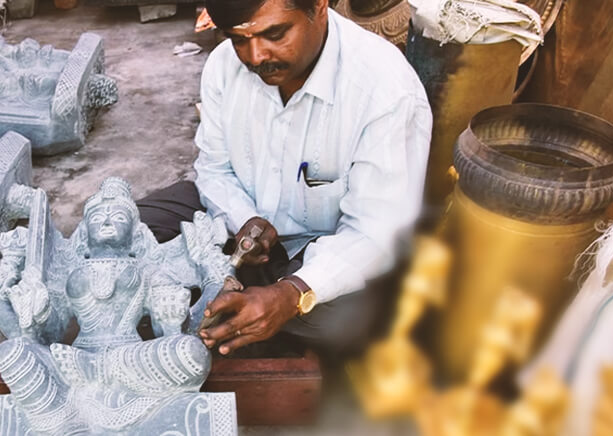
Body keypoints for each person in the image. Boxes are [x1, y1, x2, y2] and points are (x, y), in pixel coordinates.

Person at [138, 0, 432, 358]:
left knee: (359, 313)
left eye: (275, 33)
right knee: (129, 228)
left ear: (319, 5)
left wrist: (293, 293)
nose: (256, 56)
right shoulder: (223, 65)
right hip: (242, 233)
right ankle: (238, 304)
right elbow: (214, 169)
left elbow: (377, 231)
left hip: (324, 246)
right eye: (237, 39)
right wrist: (243, 216)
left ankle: (236, 307)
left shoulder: (384, 88)